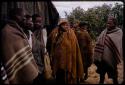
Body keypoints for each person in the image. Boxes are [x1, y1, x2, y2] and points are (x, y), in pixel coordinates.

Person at [0, 8, 39, 84]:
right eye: (23, 16)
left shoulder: (17, 30)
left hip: (26, 72)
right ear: (17, 16)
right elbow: (8, 55)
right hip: (18, 74)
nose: (25, 18)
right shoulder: (7, 32)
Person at [93, 16, 123, 84]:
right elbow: (98, 41)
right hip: (102, 58)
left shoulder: (119, 32)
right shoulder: (104, 31)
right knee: (102, 75)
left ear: (114, 24)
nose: (107, 25)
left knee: (114, 76)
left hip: (112, 58)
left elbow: (118, 45)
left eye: (109, 23)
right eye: (107, 23)